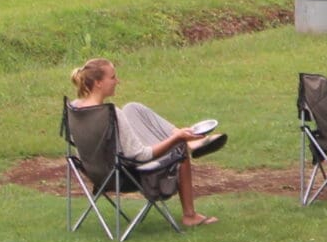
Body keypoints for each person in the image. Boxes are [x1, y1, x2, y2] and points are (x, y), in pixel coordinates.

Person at [68, 57, 223, 229]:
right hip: (124, 174)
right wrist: (175, 140)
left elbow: (79, 145)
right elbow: (142, 155)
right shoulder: (112, 114)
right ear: (98, 83)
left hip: (95, 171)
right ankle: (190, 215)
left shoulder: (74, 109)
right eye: (112, 77)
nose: (117, 81)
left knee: (133, 109)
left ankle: (187, 137)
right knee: (179, 149)